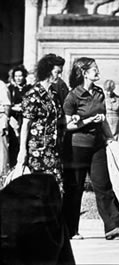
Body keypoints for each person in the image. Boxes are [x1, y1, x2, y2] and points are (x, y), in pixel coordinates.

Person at [62, 57, 119, 240]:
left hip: (97, 145)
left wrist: (112, 139)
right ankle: (71, 230)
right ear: (85, 73)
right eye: (94, 69)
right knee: (75, 189)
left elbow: (104, 119)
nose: (98, 72)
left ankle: (112, 227)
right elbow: (68, 125)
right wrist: (88, 120)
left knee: (103, 185)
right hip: (77, 147)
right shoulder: (73, 96)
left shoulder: (99, 92)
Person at [16, 55, 63, 189]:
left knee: (56, 189)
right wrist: (22, 150)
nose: (59, 76)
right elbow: (26, 125)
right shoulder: (33, 94)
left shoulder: (54, 94)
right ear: (48, 71)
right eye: (57, 72)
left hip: (53, 150)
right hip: (37, 151)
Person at [8, 65, 31, 168]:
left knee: (25, 142)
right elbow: (7, 104)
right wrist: (13, 108)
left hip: (25, 118)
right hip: (13, 119)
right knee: (14, 144)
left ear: (24, 76)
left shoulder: (29, 89)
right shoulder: (10, 89)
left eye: (20, 76)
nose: (18, 78)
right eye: (16, 76)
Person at [104, 79, 119, 144]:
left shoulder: (118, 99)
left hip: (116, 125)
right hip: (107, 124)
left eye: (110, 91)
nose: (109, 93)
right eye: (107, 91)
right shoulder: (102, 99)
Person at [0, 80, 10, 177]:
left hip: (0, 119)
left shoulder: (1, 86)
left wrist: (4, 122)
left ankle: (2, 175)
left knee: (1, 151)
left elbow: (7, 105)